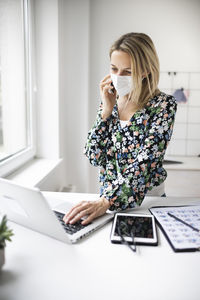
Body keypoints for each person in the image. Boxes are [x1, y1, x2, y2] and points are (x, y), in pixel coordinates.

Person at [63, 32, 177, 226]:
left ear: (145, 71)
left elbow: (146, 163)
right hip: (106, 203)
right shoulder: (111, 99)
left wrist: (107, 200)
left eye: (127, 72)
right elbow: (93, 155)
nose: (118, 77)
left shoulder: (163, 105)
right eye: (114, 69)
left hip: (147, 201)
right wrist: (105, 111)